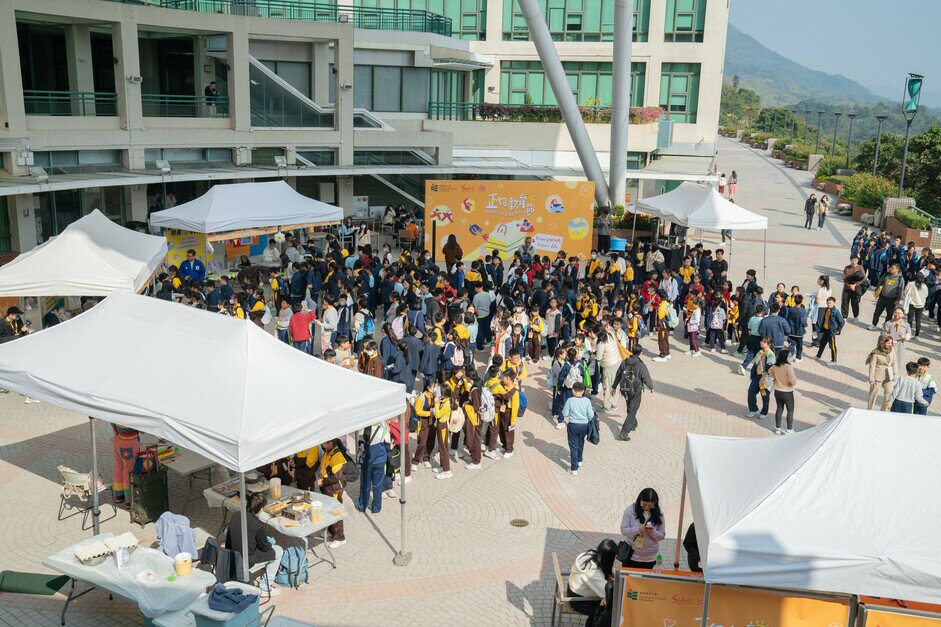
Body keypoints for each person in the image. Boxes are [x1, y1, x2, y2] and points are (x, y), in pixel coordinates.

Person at [226, 492, 283, 596]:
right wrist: (270, 543)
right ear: (261, 509)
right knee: (278, 550)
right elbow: (265, 547)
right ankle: (265, 587)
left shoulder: (236, 515)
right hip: (247, 560)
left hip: (232, 554)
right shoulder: (258, 525)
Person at [612, 345, 654, 441]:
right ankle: (624, 433)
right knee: (632, 411)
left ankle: (633, 424)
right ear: (641, 353)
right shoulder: (641, 365)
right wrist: (651, 387)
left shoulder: (625, 362)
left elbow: (618, 375)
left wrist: (614, 387)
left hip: (625, 389)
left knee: (630, 407)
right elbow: (646, 377)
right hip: (636, 390)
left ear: (631, 351)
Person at [567, 539, 618, 617]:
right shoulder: (593, 572)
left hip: (573, 590)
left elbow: (608, 569)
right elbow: (607, 593)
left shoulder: (592, 554)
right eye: (613, 558)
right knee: (609, 613)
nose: (614, 560)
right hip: (579, 601)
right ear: (608, 558)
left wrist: (616, 575)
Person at [619, 488, 666, 569]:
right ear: (639, 500)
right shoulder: (630, 511)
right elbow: (623, 530)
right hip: (631, 555)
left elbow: (662, 536)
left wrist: (652, 532)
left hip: (650, 557)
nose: (647, 508)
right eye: (644, 505)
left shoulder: (659, 514)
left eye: (650, 506)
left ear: (655, 504)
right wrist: (638, 529)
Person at [356, 421, 390, 514]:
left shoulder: (362, 430)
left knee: (365, 485)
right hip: (379, 462)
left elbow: (360, 445)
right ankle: (376, 509)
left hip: (366, 462)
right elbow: (388, 447)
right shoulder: (384, 431)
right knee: (377, 486)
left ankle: (362, 506)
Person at [562, 382, 593, 475]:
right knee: (581, 442)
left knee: (573, 446)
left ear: (573, 390)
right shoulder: (587, 401)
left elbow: (564, 413)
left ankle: (574, 469)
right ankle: (579, 460)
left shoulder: (570, 400)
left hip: (573, 425)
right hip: (584, 425)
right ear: (583, 391)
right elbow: (591, 415)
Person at [768, 350, 797, 435]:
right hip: (787, 392)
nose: (791, 357)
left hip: (777, 391)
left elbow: (770, 372)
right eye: (790, 356)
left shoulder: (775, 366)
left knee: (779, 409)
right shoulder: (788, 367)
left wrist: (775, 378)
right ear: (786, 357)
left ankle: (778, 428)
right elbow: (792, 380)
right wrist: (792, 383)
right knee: (790, 410)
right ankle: (789, 429)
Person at [869, 263, 905, 329]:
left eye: (893, 268)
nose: (891, 268)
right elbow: (880, 282)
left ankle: (885, 327)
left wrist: (898, 299)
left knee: (889, 315)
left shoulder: (900, 278)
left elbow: (901, 290)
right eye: (891, 267)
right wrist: (877, 291)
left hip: (892, 299)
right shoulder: (887, 274)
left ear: (897, 270)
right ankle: (873, 324)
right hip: (882, 297)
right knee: (877, 312)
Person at [865, 334, 896, 411]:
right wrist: (871, 379)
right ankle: (869, 410)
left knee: (888, 394)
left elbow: (894, 362)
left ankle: (883, 411)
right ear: (882, 342)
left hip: (890, 375)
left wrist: (895, 373)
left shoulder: (892, 349)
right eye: (888, 343)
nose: (890, 345)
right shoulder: (875, 353)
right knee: (873, 394)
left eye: (891, 343)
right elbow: (872, 366)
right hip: (878, 376)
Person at [746, 336, 774, 419]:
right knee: (751, 392)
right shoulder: (760, 352)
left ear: (769, 344)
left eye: (764, 342)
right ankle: (753, 409)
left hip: (765, 378)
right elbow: (755, 363)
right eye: (762, 341)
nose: (761, 342)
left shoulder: (771, 355)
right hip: (757, 376)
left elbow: (769, 368)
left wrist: (762, 379)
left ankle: (764, 412)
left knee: (764, 395)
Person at [815, 297, 844, 365]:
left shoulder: (835, 312)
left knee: (832, 346)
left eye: (830, 303)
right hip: (826, 330)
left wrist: (838, 330)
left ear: (834, 303)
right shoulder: (826, 310)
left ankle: (834, 361)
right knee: (822, 344)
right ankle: (818, 356)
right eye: (827, 303)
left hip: (831, 332)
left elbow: (842, 322)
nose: (828, 304)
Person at [882, 306, 912, 372]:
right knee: (888, 359)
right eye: (895, 312)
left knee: (898, 360)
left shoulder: (906, 325)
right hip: (889, 344)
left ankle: (895, 373)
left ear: (903, 315)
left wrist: (905, 336)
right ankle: (887, 373)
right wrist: (890, 336)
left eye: (899, 313)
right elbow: (883, 333)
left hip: (900, 345)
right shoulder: (888, 323)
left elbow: (909, 335)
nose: (897, 314)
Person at [841, 255, 867, 320]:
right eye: (852, 260)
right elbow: (844, 278)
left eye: (855, 260)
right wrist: (849, 285)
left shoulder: (860, 267)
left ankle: (855, 316)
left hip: (856, 289)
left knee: (855, 303)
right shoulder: (847, 268)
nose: (854, 262)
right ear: (850, 260)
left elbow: (864, 278)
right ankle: (844, 316)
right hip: (847, 288)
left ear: (857, 261)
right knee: (845, 303)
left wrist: (855, 285)